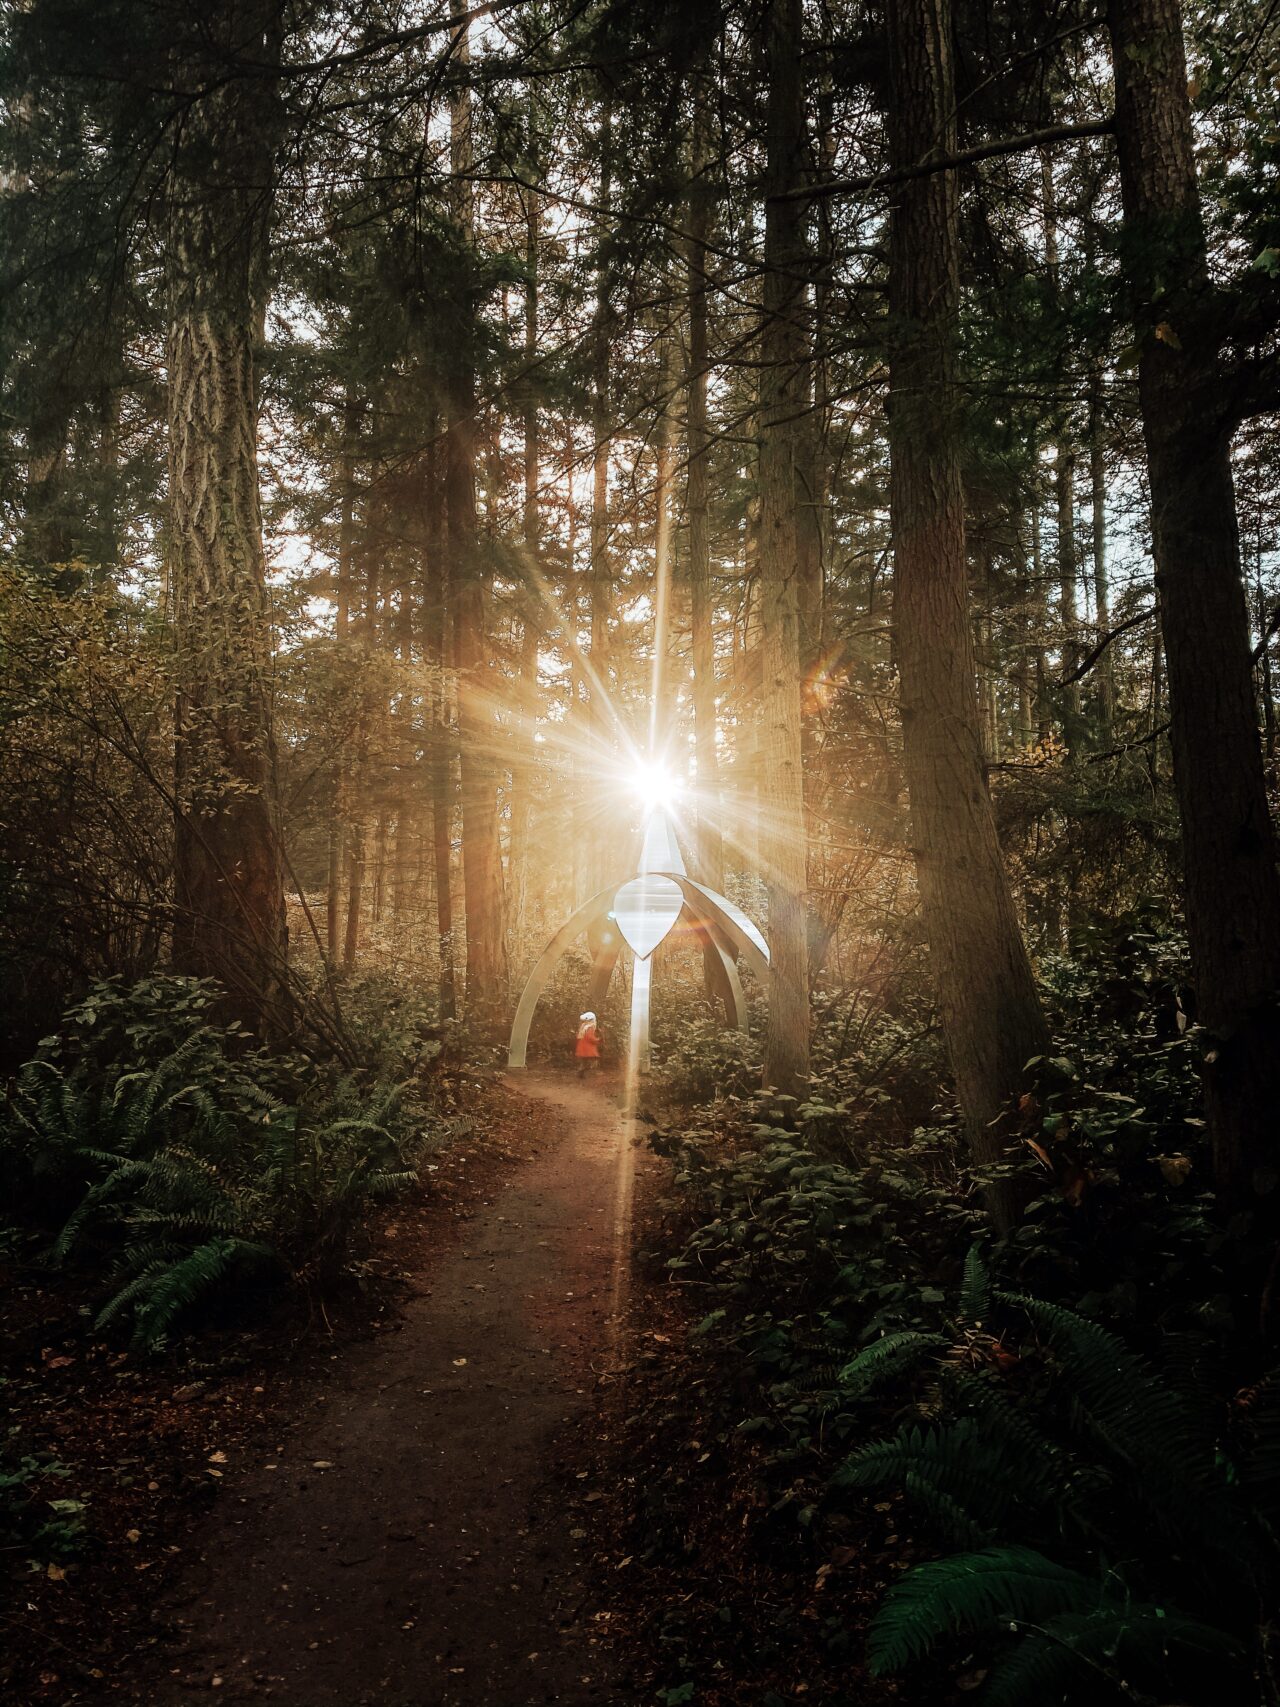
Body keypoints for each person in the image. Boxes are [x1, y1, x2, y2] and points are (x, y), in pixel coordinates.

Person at [575, 1011, 601, 1077]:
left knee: (584, 1061)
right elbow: (589, 1037)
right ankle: (580, 1072)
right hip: (587, 1048)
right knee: (592, 1061)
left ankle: (581, 1073)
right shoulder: (590, 1027)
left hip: (582, 1047)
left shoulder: (583, 1027)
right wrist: (597, 1040)